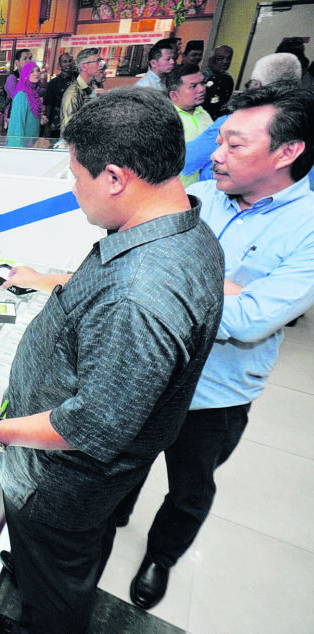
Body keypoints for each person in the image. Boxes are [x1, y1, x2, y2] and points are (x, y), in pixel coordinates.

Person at [0, 86, 224, 634]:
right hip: (98, 484)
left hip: (61, 484)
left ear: (114, 177)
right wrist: (52, 281)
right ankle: (42, 580)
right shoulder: (183, 228)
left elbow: (89, 427)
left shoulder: (141, 295)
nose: (74, 188)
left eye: (76, 174)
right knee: (68, 559)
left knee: (59, 583)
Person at [126, 84, 314, 612]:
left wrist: (182, 280)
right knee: (125, 459)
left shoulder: (307, 228)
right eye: (219, 141)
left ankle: (161, 555)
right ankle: (111, 519)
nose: (216, 155)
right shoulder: (201, 198)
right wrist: (223, 286)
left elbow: (250, 321)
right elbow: (138, 262)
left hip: (217, 392)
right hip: (152, 371)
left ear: (287, 151)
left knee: (189, 485)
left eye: (235, 145)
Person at [183, 53, 302, 184]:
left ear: (257, 85)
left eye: (250, 83)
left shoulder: (233, 122)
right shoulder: (303, 123)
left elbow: (186, 160)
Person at [166, 63, 213, 186]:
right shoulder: (164, 118)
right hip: (175, 191)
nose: (202, 89)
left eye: (202, 83)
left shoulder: (204, 114)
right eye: (193, 86)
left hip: (202, 189)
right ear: (174, 95)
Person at [60, 48, 105, 135]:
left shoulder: (95, 87)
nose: (101, 65)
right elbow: (69, 127)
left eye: (101, 61)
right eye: (97, 61)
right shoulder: (73, 92)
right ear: (84, 66)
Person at [7, 59, 46, 144]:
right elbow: (18, 124)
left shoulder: (34, 94)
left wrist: (39, 119)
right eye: (31, 72)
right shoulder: (22, 95)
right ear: (25, 75)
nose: (36, 74)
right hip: (22, 144)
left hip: (31, 143)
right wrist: (19, 147)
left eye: (38, 71)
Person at [43, 52, 78, 138]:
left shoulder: (80, 79)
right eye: (65, 61)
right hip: (57, 124)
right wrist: (47, 126)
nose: (68, 64)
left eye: (70, 61)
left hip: (76, 123)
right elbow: (48, 104)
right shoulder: (54, 83)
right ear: (59, 65)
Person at [202, 45, 235, 119]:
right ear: (210, 60)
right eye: (220, 58)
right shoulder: (202, 78)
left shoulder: (228, 79)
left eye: (228, 59)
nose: (225, 62)